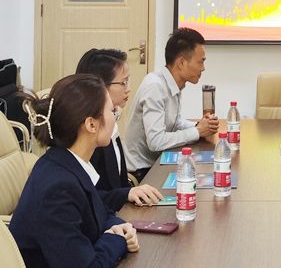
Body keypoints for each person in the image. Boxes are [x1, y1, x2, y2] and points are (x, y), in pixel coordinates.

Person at [10, 74, 139, 268]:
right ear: (91, 124)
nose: (115, 118)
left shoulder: (67, 162)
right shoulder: (58, 188)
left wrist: (120, 227)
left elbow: (99, 213)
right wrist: (117, 239)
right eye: (112, 111)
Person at [124, 28, 219, 182]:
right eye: (201, 61)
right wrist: (197, 131)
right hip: (143, 173)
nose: (203, 68)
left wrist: (200, 126)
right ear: (181, 63)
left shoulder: (173, 83)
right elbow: (156, 141)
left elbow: (174, 122)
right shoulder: (155, 87)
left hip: (158, 163)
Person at [76, 48, 162, 210]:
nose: (128, 89)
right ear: (98, 86)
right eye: (123, 83)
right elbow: (88, 198)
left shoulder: (111, 121)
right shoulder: (88, 134)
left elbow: (118, 183)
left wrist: (130, 192)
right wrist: (126, 194)